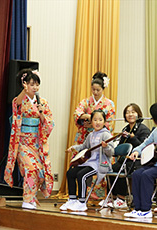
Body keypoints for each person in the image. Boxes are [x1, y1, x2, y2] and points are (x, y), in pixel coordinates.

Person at [4, 69, 55, 209]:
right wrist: (24, 91)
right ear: (25, 84)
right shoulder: (20, 100)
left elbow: (49, 124)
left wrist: (41, 115)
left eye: (37, 85)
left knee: (40, 171)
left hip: (37, 143)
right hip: (22, 143)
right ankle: (26, 200)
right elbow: (16, 103)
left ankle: (31, 198)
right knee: (30, 168)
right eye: (32, 84)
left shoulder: (42, 102)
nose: (35, 88)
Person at [60, 109, 115, 212]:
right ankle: (72, 199)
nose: (97, 122)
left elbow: (111, 152)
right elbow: (84, 147)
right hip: (90, 162)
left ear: (104, 121)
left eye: (100, 120)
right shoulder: (91, 135)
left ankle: (81, 202)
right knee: (70, 173)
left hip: (101, 164)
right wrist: (74, 148)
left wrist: (106, 147)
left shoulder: (106, 135)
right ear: (91, 122)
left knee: (82, 175)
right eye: (95, 120)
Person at [73, 71, 115, 199]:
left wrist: (91, 121)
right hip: (86, 138)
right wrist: (89, 119)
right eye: (93, 90)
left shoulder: (109, 104)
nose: (95, 92)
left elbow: (109, 123)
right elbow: (77, 114)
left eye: (98, 90)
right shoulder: (86, 101)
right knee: (82, 164)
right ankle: (82, 194)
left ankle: (98, 197)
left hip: (100, 139)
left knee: (98, 164)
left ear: (103, 89)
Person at [100, 103, 150, 208]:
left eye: (133, 112)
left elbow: (144, 147)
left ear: (138, 114)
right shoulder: (125, 129)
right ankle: (111, 197)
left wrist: (132, 137)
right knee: (111, 168)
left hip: (136, 160)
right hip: (124, 159)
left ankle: (121, 199)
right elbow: (120, 146)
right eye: (127, 112)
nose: (130, 114)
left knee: (123, 168)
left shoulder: (143, 129)